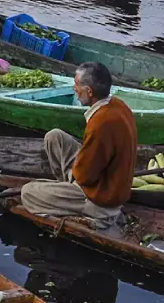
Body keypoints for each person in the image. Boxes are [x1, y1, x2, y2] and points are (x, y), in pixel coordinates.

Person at [19, 62, 137, 228]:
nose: (74, 88)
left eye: (76, 85)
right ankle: (66, 191)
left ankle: (78, 208)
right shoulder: (118, 105)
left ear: (89, 91)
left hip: (100, 200)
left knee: (28, 192)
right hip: (101, 180)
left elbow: (85, 176)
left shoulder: (101, 123)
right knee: (55, 137)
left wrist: (76, 171)